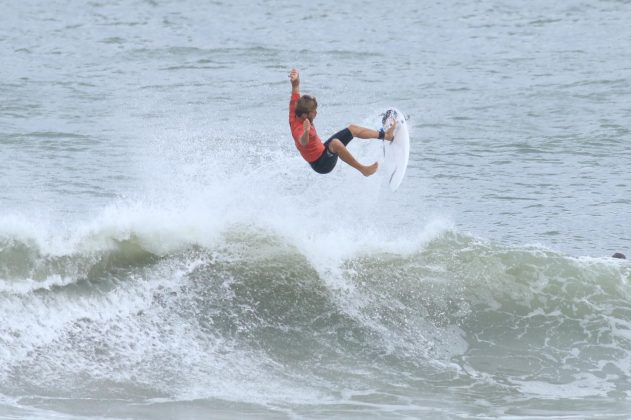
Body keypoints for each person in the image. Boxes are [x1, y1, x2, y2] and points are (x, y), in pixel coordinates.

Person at [288, 68, 396, 176]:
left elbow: (295, 87)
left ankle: (387, 135)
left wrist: (296, 79)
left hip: (322, 150)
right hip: (321, 165)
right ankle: (364, 170)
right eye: (313, 112)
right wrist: (306, 131)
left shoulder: (296, 109)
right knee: (335, 143)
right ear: (304, 115)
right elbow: (303, 141)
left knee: (352, 129)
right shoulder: (299, 129)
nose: (316, 113)